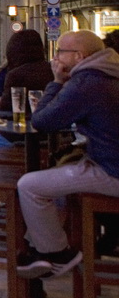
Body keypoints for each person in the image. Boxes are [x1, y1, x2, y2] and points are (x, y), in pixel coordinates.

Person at [16, 31, 119, 279]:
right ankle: (39, 245)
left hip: (112, 169)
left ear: (79, 56)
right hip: (108, 159)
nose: (56, 57)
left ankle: (57, 254)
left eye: (60, 51)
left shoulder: (87, 82)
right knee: (58, 177)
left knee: (29, 185)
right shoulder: (110, 71)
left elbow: (43, 121)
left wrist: (56, 81)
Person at [0, 30, 53, 157]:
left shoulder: (16, 73)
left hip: (18, 134)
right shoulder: (51, 70)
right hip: (48, 134)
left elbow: (6, 112)